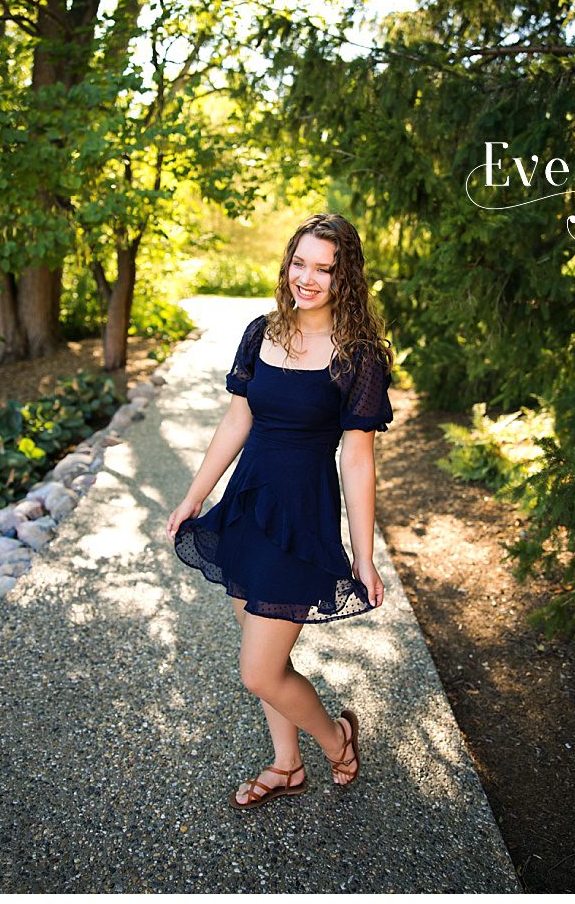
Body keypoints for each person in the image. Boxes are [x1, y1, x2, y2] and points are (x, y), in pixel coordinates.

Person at [166, 213, 395, 809]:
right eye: (300, 263)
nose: (308, 278)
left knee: (258, 671)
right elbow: (238, 418)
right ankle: (287, 765)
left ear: (346, 277)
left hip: (302, 521)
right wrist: (195, 496)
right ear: (287, 263)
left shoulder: (359, 356)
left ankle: (336, 740)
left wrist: (364, 558)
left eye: (324, 268)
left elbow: (358, 460)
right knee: (260, 645)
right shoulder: (261, 331)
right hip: (248, 508)